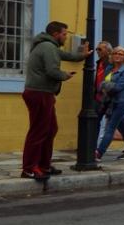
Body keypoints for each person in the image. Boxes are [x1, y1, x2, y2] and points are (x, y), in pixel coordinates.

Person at [21, 21, 90, 180]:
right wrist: (65, 75)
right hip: (39, 93)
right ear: (55, 34)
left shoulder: (50, 46)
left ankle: (44, 165)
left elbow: (67, 56)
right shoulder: (48, 47)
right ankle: (29, 169)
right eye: (64, 34)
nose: (66, 37)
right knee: (38, 131)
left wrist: (83, 55)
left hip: (43, 93)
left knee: (51, 129)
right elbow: (52, 71)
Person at [95, 46, 124, 160]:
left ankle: (99, 153)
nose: (117, 56)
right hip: (109, 102)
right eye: (115, 53)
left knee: (110, 127)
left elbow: (117, 88)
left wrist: (104, 85)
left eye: (120, 54)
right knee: (123, 127)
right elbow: (103, 83)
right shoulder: (109, 68)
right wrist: (104, 85)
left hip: (121, 103)